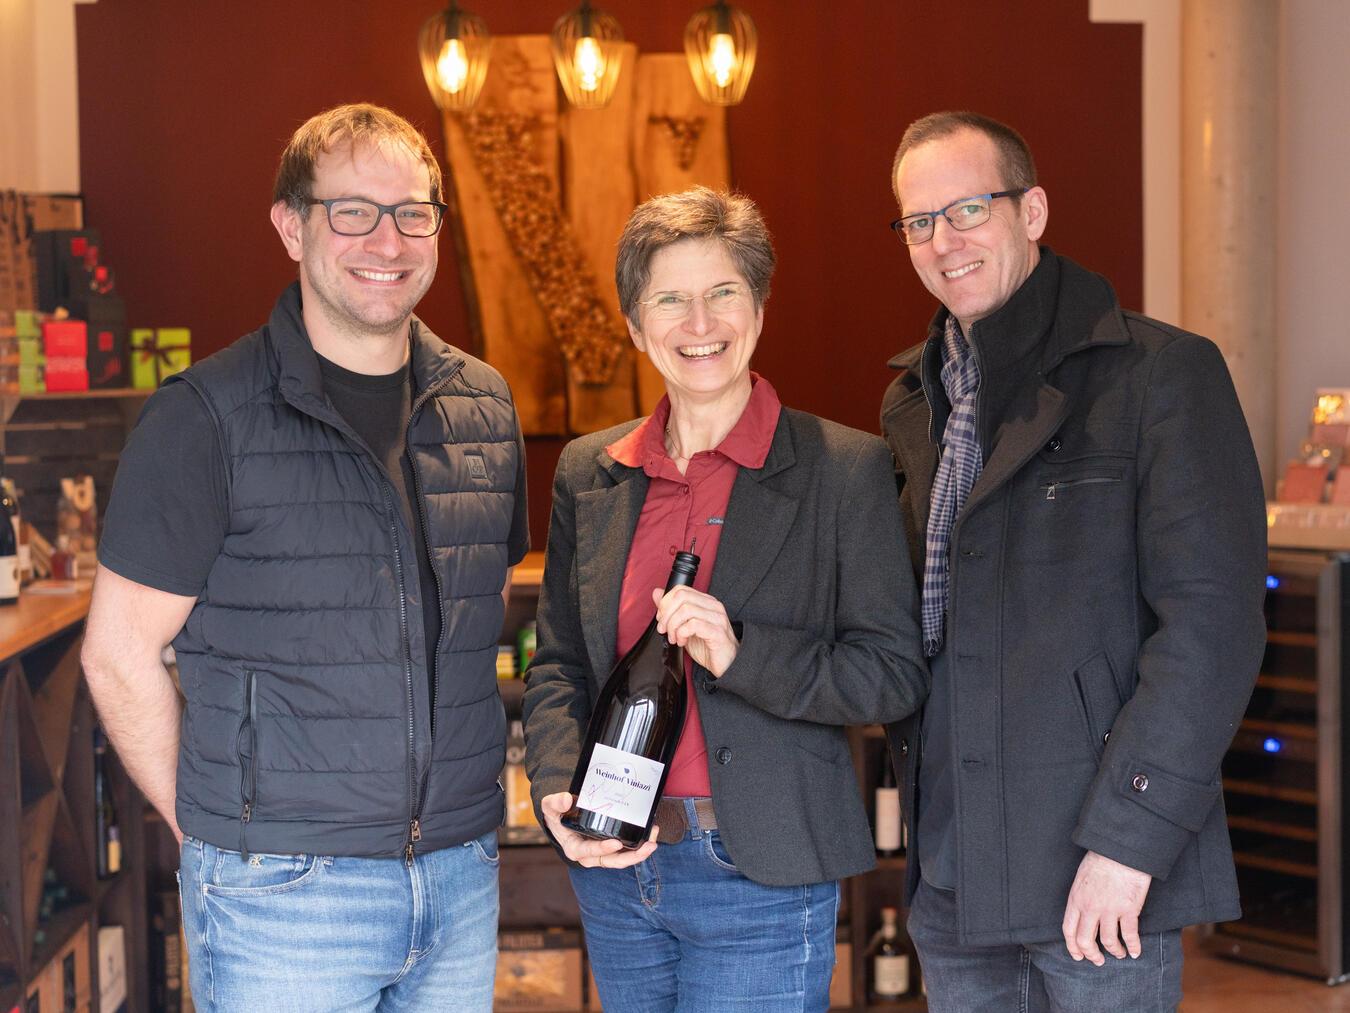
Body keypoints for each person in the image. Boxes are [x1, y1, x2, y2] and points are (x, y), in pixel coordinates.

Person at [80, 103, 528, 1011]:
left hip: (459, 875)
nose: (388, 239)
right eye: (352, 210)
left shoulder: (483, 406)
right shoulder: (203, 418)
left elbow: (474, 627)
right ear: (291, 225)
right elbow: (116, 654)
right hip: (283, 896)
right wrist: (216, 831)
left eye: (413, 212)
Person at [879, 110, 1267, 1011]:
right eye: (918, 221)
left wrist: (1129, 842)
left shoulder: (1160, 375)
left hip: (1098, 878)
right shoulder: (914, 399)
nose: (944, 241)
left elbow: (1210, 631)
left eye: (968, 208)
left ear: (1034, 211)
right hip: (953, 877)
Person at [522, 186, 928, 1012]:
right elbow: (560, 662)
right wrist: (558, 784)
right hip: (619, 864)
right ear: (637, 326)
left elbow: (892, 674)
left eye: (723, 292)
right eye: (669, 298)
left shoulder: (843, 469)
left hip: (762, 871)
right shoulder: (591, 471)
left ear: (759, 308)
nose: (698, 322)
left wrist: (743, 651)